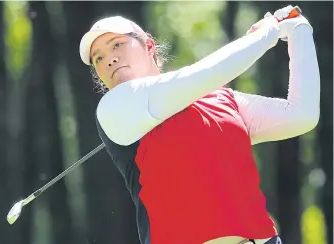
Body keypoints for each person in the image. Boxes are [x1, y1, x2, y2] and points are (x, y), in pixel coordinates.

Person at [79, 5, 320, 244]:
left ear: (148, 45)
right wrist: (267, 32)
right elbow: (208, 73)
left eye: (117, 45)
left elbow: (301, 114)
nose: (109, 59)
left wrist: (297, 30)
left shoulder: (221, 97)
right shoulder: (114, 107)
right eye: (98, 58)